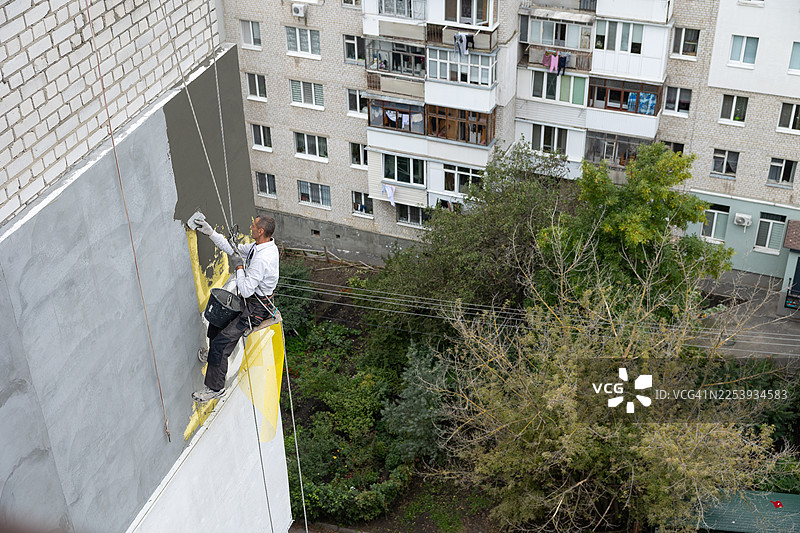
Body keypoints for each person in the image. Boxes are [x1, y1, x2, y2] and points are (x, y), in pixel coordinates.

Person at [191, 214, 279, 402]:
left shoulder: (264, 259)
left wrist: (239, 267)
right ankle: (213, 357)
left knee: (222, 344)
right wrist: (211, 232)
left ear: (261, 231)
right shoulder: (260, 247)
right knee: (217, 323)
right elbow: (234, 250)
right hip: (249, 302)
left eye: (254, 225)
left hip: (255, 309)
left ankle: (215, 389)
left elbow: (246, 290)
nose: (251, 227)